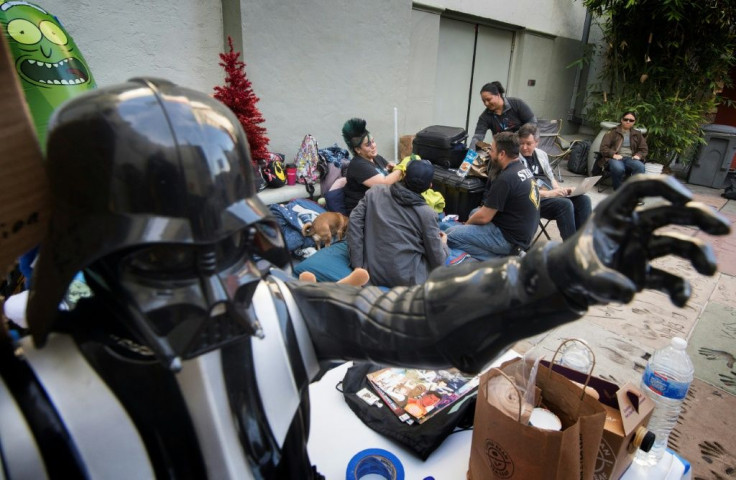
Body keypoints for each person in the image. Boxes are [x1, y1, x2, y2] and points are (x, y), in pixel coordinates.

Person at [0, 78, 729, 479]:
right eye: (164, 261)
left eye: (227, 249)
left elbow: (418, 318)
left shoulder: (278, 312)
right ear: (89, 256)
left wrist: (565, 272)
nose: (217, 292)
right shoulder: (22, 411)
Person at [348, 158, 448, 287]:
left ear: (404, 175)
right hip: (408, 279)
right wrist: (443, 244)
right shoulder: (428, 214)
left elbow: (354, 223)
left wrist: (358, 265)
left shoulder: (375, 192)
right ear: (430, 186)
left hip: (372, 271)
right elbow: (438, 260)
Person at [447, 132, 540, 259]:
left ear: (502, 154)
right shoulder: (522, 169)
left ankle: (501, 260)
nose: (489, 153)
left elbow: (484, 217)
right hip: (522, 233)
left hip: (509, 239)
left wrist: (467, 225)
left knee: (451, 237)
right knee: (474, 212)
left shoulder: (505, 178)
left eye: (492, 149)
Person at [518, 123, 592, 240]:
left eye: (528, 144)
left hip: (550, 194)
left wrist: (560, 190)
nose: (524, 147)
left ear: (537, 142)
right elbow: (523, 189)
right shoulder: (516, 160)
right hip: (534, 199)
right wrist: (550, 194)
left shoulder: (541, 155)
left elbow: (551, 177)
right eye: (521, 143)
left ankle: (584, 242)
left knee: (583, 200)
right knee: (565, 205)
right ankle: (570, 249)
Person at [341, 118, 403, 214]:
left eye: (373, 141)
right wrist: (402, 167)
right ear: (358, 150)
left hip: (379, 204)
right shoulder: (358, 165)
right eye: (368, 144)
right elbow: (384, 183)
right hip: (364, 212)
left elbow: (387, 174)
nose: (373, 146)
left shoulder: (376, 158)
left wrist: (391, 169)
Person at [469, 81, 536, 150]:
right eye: (483, 101)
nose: (486, 103)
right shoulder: (484, 117)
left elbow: (532, 122)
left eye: (489, 99)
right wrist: (468, 159)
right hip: (503, 149)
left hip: (522, 146)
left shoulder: (517, 103)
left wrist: (517, 136)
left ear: (498, 95)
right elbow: (477, 137)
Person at [599, 111, 648, 190]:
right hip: (614, 158)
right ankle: (619, 192)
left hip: (630, 158)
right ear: (621, 120)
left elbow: (644, 149)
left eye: (631, 120)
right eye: (626, 119)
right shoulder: (613, 131)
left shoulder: (637, 134)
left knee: (640, 167)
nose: (628, 122)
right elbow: (603, 147)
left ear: (634, 122)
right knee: (618, 168)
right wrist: (613, 155)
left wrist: (638, 155)